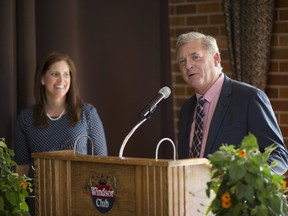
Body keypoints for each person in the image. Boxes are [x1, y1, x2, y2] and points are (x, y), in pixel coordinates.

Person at [176, 32, 288, 175]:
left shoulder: (249, 98)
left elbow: (278, 156)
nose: (188, 65)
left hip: (235, 196)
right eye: (182, 61)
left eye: (195, 57)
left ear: (216, 59)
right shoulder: (187, 109)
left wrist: (247, 180)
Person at [14, 51, 108, 177]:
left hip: (78, 194)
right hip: (39, 194)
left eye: (66, 74)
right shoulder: (25, 118)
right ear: (42, 78)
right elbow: (22, 167)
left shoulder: (87, 113)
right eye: (55, 74)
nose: (61, 80)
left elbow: (102, 162)